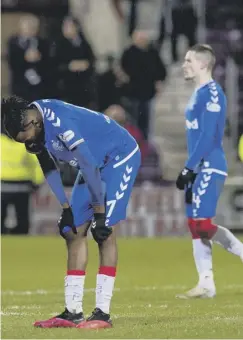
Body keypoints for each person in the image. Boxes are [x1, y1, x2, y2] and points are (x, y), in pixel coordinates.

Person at [2, 96, 141, 328]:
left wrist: (99, 213)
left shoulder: (61, 122)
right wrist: (65, 208)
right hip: (93, 164)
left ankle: (102, 314)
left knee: (104, 230)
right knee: (71, 230)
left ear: (31, 124)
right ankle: (73, 311)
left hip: (118, 158)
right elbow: (48, 166)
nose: (27, 145)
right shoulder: (35, 123)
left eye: (24, 139)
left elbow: (89, 166)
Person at [175, 44, 243, 299]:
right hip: (198, 165)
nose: (184, 65)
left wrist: (189, 167)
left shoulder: (213, 94)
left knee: (203, 225)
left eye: (189, 60)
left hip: (209, 165)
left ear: (203, 64)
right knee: (195, 226)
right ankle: (206, 283)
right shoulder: (198, 93)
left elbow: (209, 135)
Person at [120, 30, 167, 140]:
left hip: (147, 91)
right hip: (132, 92)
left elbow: (161, 70)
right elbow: (123, 70)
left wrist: (159, 82)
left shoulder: (152, 52)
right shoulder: (128, 53)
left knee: (145, 119)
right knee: (133, 119)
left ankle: (144, 141)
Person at [1, 124, 44, 235]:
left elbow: (36, 164)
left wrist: (37, 181)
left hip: (9, 186)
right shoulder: (26, 143)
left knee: (16, 218)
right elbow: (37, 164)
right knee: (22, 218)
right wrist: (37, 182)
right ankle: (20, 238)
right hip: (22, 186)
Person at [7, 14, 52, 101]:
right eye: (28, 27)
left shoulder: (42, 42)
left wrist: (39, 58)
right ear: (21, 27)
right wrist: (25, 57)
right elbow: (11, 62)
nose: (31, 30)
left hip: (38, 85)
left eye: (33, 27)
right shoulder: (13, 42)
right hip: (19, 84)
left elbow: (49, 63)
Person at [54, 16, 96, 108]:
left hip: (84, 85)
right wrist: (69, 66)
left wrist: (87, 64)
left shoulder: (83, 42)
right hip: (67, 86)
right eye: (65, 26)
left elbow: (92, 59)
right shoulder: (59, 43)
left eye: (70, 26)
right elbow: (54, 64)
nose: (66, 29)